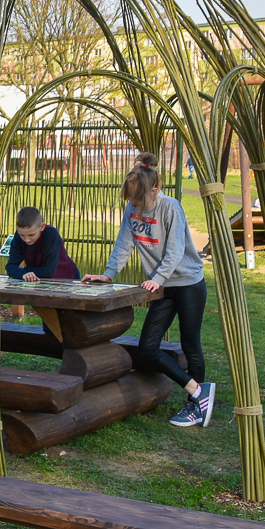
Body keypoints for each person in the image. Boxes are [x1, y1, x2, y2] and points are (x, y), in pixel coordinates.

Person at [82, 162, 215, 427]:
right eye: (130, 199)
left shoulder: (170, 207)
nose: (134, 204)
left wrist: (157, 278)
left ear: (155, 189)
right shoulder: (132, 209)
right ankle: (199, 391)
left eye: (138, 199)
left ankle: (195, 407)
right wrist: (109, 273)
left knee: (190, 343)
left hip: (188, 282)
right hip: (162, 286)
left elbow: (176, 251)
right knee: (148, 347)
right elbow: (124, 242)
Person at [6, 206, 79, 281]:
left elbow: (49, 272)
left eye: (31, 235)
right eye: (22, 235)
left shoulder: (51, 234)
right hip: (39, 281)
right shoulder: (18, 236)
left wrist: (25, 270)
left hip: (67, 279)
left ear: (42, 227)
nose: (27, 240)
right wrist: (23, 274)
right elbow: (10, 266)